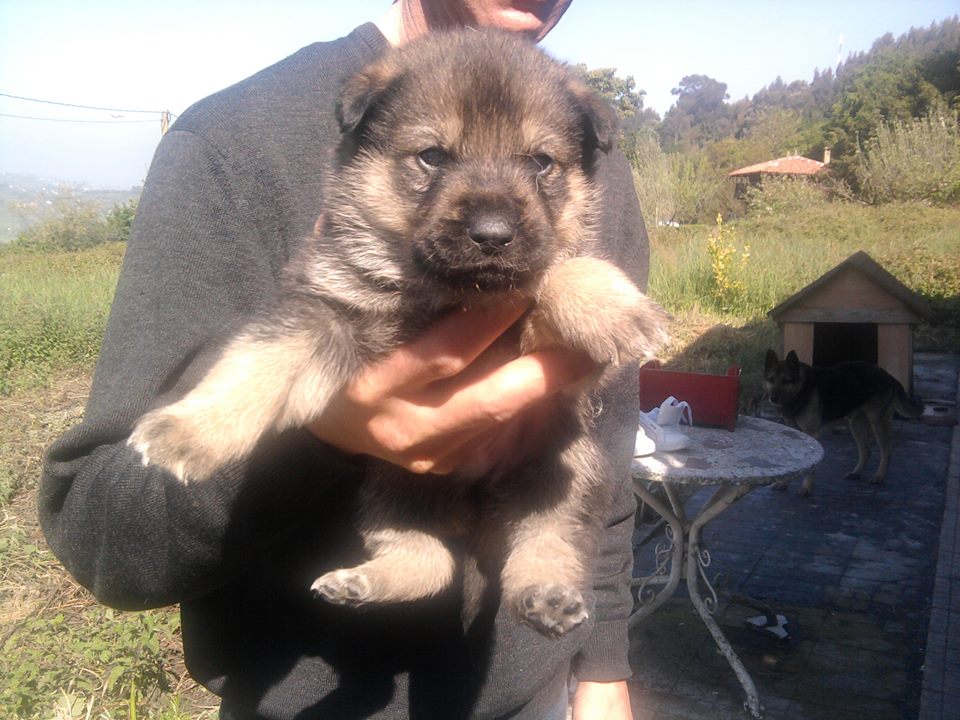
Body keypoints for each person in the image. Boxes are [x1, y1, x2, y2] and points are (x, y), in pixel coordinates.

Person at [38, 1, 649, 718]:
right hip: (306, 705)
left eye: (540, 164)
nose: (493, 218)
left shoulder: (597, 159)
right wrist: (318, 436)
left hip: (539, 694)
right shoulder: (231, 143)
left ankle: (527, 571)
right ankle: (413, 558)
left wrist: (605, 667)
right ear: (360, 153)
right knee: (319, 326)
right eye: (431, 159)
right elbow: (105, 533)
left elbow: (610, 442)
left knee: (566, 434)